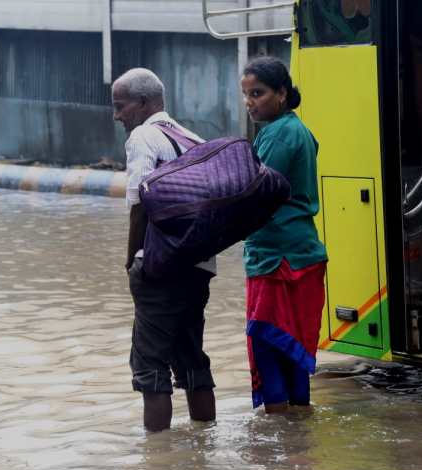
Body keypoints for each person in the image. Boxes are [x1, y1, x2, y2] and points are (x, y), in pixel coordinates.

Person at [111, 67, 216, 432]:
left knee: (149, 366)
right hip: (199, 266)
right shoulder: (193, 138)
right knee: (191, 360)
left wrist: (131, 259)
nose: (117, 115)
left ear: (142, 104)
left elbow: (138, 201)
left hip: (160, 268)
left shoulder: (143, 137)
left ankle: (157, 466)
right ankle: (205, 443)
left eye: (120, 106)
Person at [239, 57, 328, 413]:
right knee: (293, 347)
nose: (250, 103)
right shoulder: (300, 130)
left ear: (282, 93)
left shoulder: (276, 134)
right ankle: (298, 439)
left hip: (277, 258)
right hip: (302, 252)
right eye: (246, 95)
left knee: (268, 343)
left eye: (257, 93)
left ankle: (278, 435)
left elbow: (257, 195)